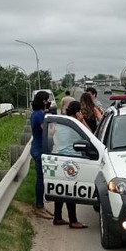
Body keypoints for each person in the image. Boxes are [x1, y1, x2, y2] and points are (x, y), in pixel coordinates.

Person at [51, 100, 88, 229]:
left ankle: (58, 217)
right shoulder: (76, 124)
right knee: (70, 191)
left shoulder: (62, 122)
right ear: (77, 112)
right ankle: (73, 220)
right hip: (72, 160)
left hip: (58, 157)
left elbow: (52, 135)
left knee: (60, 189)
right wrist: (82, 121)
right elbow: (91, 135)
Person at [29, 90, 53, 219]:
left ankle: (41, 205)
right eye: (47, 100)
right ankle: (39, 206)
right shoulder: (39, 115)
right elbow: (47, 132)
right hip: (39, 149)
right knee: (40, 179)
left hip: (36, 148)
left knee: (41, 178)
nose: (48, 102)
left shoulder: (35, 114)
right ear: (44, 101)